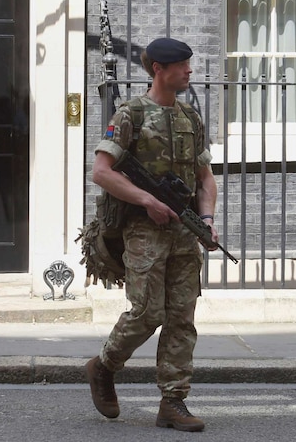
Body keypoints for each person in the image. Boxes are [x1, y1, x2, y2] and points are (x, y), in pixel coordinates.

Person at [84, 37, 219, 432]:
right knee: (146, 313)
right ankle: (103, 366)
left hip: (183, 230)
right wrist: (147, 200)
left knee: (182, 316)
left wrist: (207, 218)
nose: (189, 71)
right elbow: (102, 171)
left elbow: (205, 177)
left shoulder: (190, 117)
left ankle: (173, 402)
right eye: (182, 66)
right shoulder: (131, 114)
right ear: (159, 69)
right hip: (144, 229)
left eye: (189, 65)